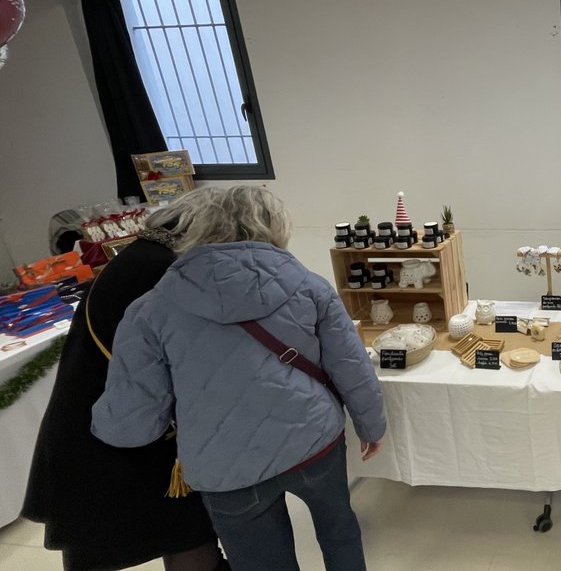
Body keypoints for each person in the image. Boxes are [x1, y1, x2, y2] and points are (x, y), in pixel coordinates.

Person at [91, 186, 386, 571]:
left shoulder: (150, 309)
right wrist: (371, 424)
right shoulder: (310, 286)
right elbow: (351, 366)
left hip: (223, 463)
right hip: (313, 438)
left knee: (261, 561)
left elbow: (133, 417)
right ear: (275, 224)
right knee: (339, 531)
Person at [23, 188, 227, 571]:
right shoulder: (161, 268)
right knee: (179, 532)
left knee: (155, 533)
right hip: (121, 426)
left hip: (104, 414)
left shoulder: (141, 255)